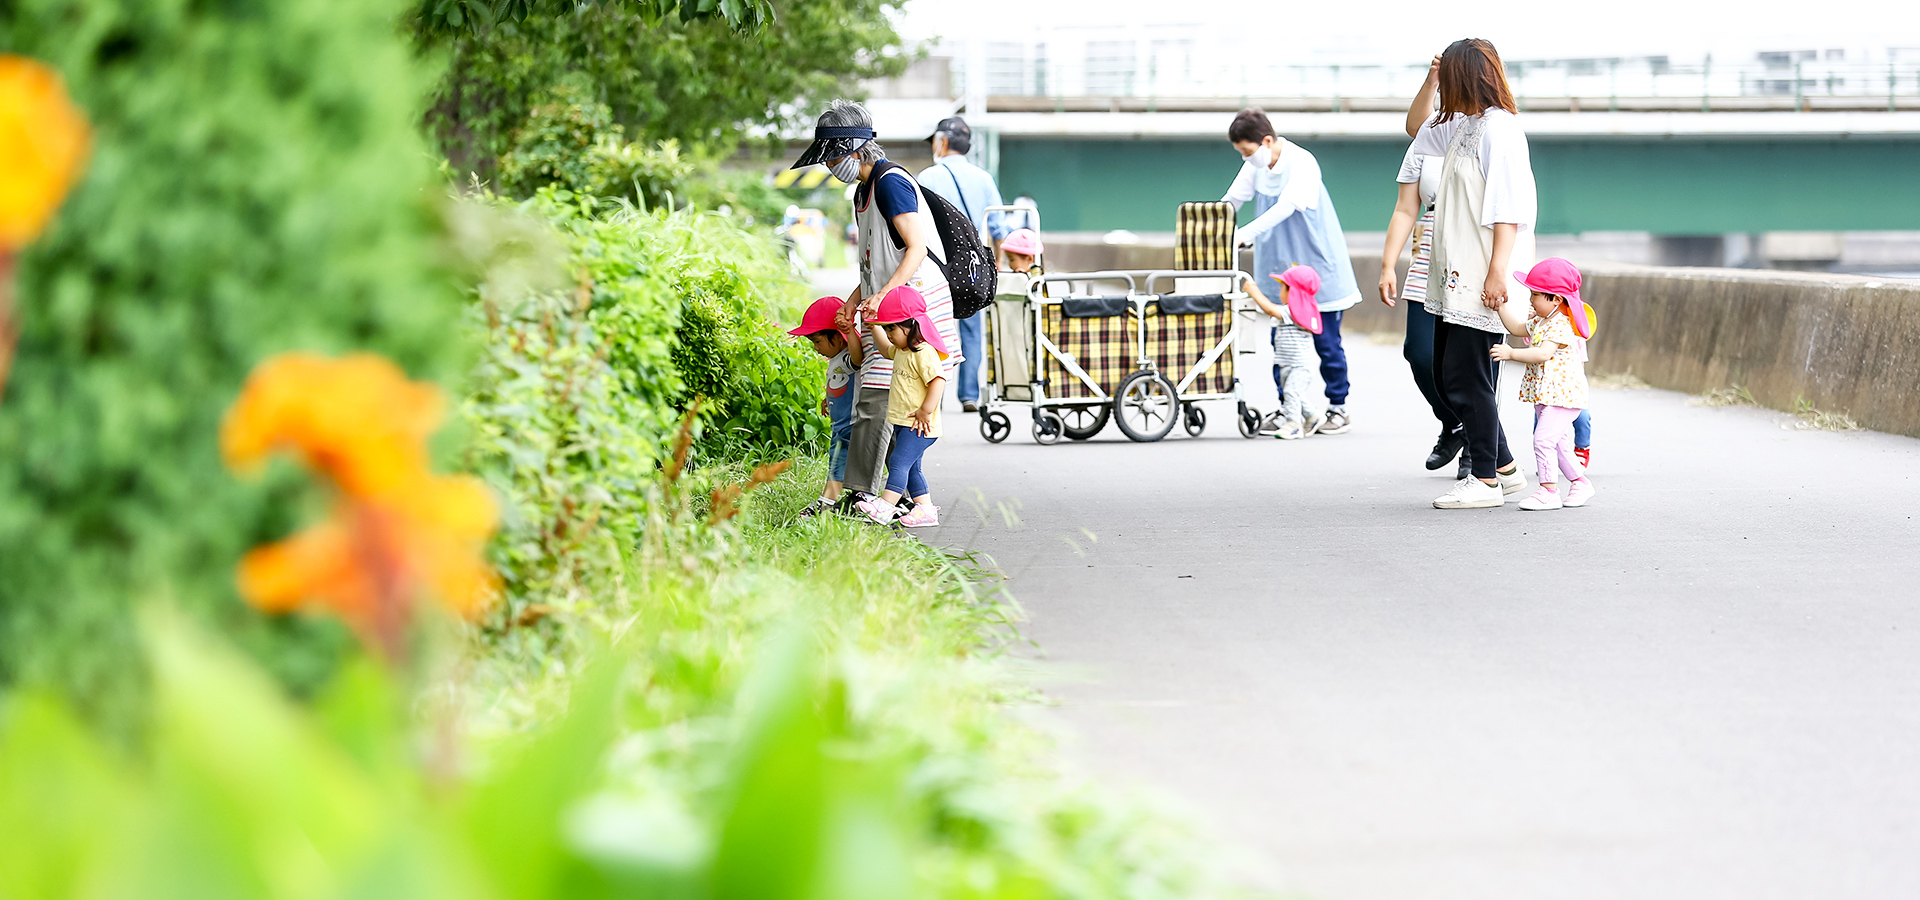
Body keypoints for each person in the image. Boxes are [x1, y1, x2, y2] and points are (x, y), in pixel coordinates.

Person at [792, 100, 960, 512]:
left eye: (834, 155)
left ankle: (861, 494)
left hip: (911, 306)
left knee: (875, 400)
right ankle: (907, 499)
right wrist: (855, 299)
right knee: (893, 406)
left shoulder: (890, 182)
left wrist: (883, 296)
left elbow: (917, 247)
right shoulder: (862, 190)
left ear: (854, 148)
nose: (831, 164)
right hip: (886, 303)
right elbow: (874, 260)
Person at [1404, 39, 1538, 510]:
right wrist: (1431, 80)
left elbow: (1508, 210)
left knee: (1467, 375)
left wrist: (1499, 273)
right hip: (1455, 271)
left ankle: (1483, 481)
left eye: (1449, 79)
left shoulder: (1499, 130)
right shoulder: (1464, 125)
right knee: (1449, 371)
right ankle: (1504, 467)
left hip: (1484, 271)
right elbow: (1416, 130)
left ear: (1467, 78)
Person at [1221, 108, 1361, 436]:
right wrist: (1212, 226)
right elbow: (1230, 202)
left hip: (1315, 267)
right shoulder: (1253, 167)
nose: (1246, 158)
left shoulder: (1302, 162)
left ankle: (1338, 408)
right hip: (1281, 270)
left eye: (1247, 151)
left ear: (1266, 141)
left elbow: (1288, 206)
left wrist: (1245, 234)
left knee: (1327, 343)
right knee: (1282, 342)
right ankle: (1289, 409)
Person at [1379, 144, 1470, 477]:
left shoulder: (1492, 129)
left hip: (1473, 245)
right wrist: (1389, 265)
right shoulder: (1425, 142)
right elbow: (1405, 210)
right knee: (1418, 352)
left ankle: (1477, 443)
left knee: (1471, 358)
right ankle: (1454, 422)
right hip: (1430, 249)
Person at [918, 116, 1009, 414]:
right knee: (972, 330)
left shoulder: (929, 177)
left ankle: (935, 390)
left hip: (937, 265)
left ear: (943, 142)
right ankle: (969, 394)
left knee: (933, 327)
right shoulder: (984, 179)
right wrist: (997, 266)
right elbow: (998, 228)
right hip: (973, 266)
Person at [1491, 258, 1596, 511]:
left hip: (1563, 395)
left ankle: (1548, 491)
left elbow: (1542, 354)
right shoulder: (1542, 320)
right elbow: (1517, 328)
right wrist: (1500, 307)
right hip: (1547, 394)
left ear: (1556, 300)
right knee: (1557, 443)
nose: (1531, 300)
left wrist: (1510, 353)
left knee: (1542, 440)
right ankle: (1580, 483)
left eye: (1536, 294)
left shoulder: (1561, 324)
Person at [855, 286, 950, 528]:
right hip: (904, 421)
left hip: (920, 424)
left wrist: (926, 410)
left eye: (892, 328)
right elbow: (884, 349)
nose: (889, 334)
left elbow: (938, 381)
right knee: (912, 468)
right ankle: (926, 510)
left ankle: (885, 507)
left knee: (898, 462)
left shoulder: (923, 352)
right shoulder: (901, 350)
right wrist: (873, 325)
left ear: (912, 325)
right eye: (886, 328)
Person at [787, 296, 862, 517]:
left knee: (837, 461)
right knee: (842, 461)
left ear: (837, 338)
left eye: (818, 341)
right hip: (840, 423)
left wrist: (849, 332)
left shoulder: (847, 355)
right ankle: (855, 498)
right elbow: (839, 384)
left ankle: (826, 502)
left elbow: (858, 360)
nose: (815, 348)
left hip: (850, 423)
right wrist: (827, 399)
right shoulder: (836, 358)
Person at [1266, 265, 1329, 439]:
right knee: (1294, 393)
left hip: (1299, 365)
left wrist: (1253, 291)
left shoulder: (1292, 311)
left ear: (1291, 291)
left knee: (1291, 392)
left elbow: (1270, 310)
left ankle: (1293, 425)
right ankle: (1313, 416)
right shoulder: (1299, 310)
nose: (1280, 292)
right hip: (1289, 362)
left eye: (1283, 287)